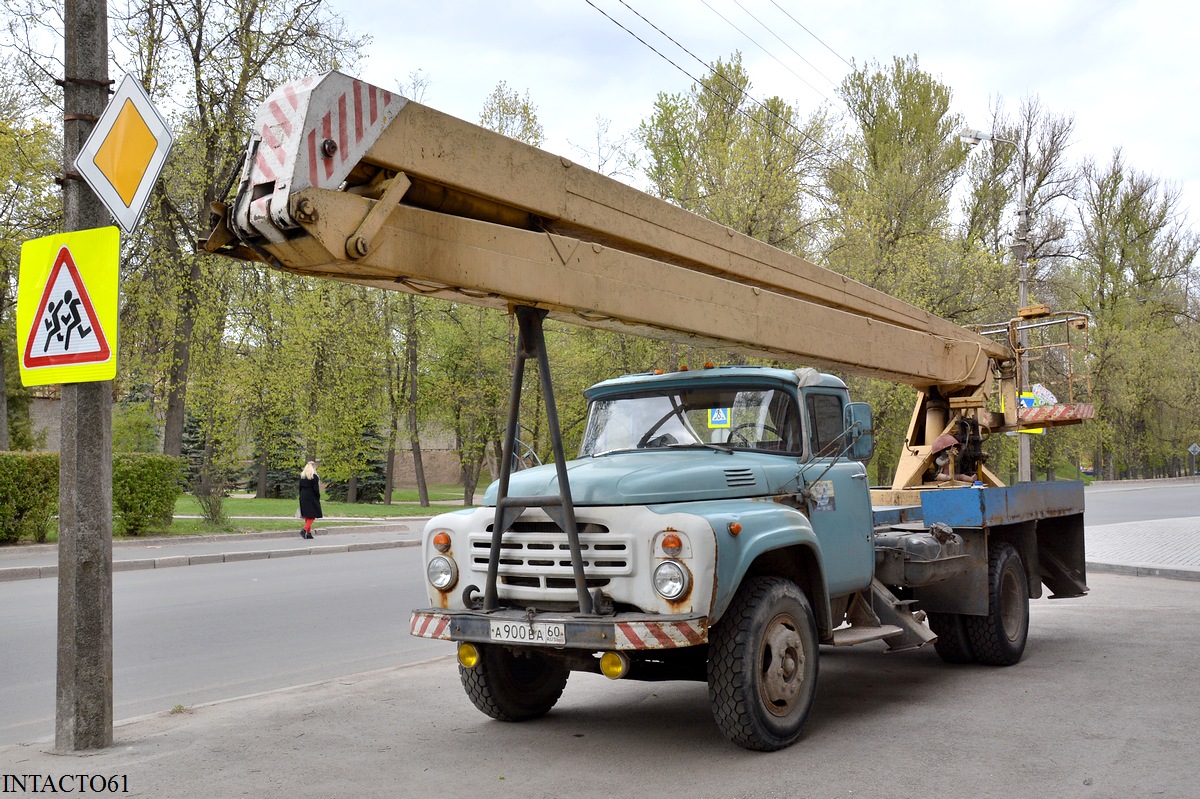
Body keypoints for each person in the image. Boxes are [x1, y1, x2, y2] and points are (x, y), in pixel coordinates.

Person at [298, 461, 323, 539]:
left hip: (303, 495)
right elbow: (316, 489)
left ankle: (308, 533)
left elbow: (300, 487)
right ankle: (305, 529)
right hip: (311, 496)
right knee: (313, 514)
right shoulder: (314, 477)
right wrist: (318, 497)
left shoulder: (302, 476)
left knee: (307, 514)